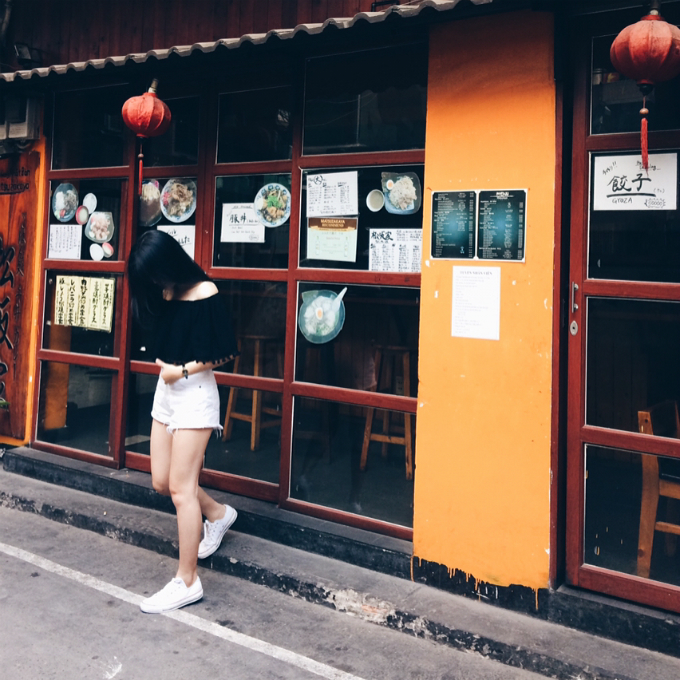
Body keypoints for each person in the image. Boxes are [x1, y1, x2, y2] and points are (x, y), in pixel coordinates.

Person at [128, 230, 239, 614]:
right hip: (167, 392)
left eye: (154, 274)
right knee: (162, 481)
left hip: (195, 392)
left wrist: (184, 371)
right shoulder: (167, 292)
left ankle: (187, 581)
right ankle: (218, 514)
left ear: (169, 263)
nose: (153, 282)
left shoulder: (205, 291)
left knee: (181, 490)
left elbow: (225, 352)